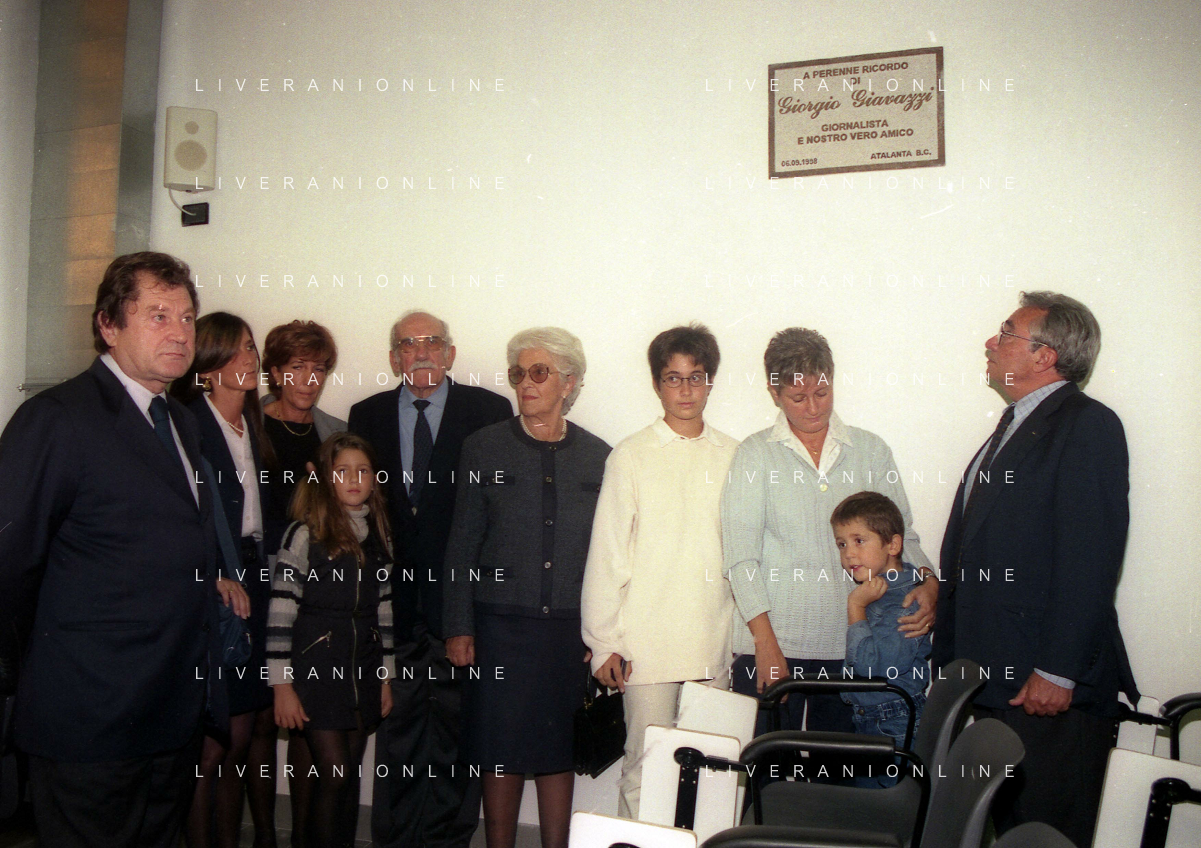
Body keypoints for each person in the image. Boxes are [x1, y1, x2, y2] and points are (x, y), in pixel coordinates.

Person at [0, 251, 245, 848]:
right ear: (108, 325)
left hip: (172, 711)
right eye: (158, 315)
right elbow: (10, 566)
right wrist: (35, 672)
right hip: (89, 715)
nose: (180, 332)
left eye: (186, 318)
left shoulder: (182, 421)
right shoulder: (57, 418)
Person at [934, 292, 1137, 846]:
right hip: (998, 676)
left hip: (1043, 688)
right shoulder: (1014, 425)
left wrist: (1058, 671)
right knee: (1007, 830)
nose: (990, 342)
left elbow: (1091, 560)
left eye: (1006, 332)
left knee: (1045, 833)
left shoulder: (1088, 426)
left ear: (1045, 355)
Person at [721, 327, 937, 741]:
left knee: (839, 770)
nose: (813, 407)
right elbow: (740, 558)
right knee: (767, 769)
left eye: (822, 392)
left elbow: (904, 537)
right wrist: (765, 643)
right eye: (797, 397)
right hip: (771, 643)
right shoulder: (754, 454)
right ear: (774, 393)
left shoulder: (870, 450)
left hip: (853, 644)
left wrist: (929, 582)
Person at [349, 310, 511, 848]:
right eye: (408, 344)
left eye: (432, 342)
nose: (421, 352)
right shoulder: (366, 415)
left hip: (459, 606)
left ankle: (449, 841)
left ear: (451, 353)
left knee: (457, 735)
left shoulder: (488, 412)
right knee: (395, 733)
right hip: (391, 608)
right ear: (393, 357)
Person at [443, 328, 610, 848]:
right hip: (499, 629)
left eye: (540, 372)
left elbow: (609, 557)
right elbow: (462, 544)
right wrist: (458, 627)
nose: (526, 383)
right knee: (500, 752)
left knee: (557, 750)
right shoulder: (483, 447)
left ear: (569, 382)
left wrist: (602, 634)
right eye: (519, 373)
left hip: (567, 632)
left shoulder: (599, 456)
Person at [581, 323, 738, 818]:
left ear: (710, 382)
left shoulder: (733, 455)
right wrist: (603, 641)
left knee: (711, 775)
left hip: (712, 641)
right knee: (645, 771)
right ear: (656, 384)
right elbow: (608, 554)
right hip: (645, 647)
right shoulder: (631, 455)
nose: (686, 390)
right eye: (673, 378)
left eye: (696, 377)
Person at [171, 312, 278, 848]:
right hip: (217, 587)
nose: (249, 359)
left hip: (257, 579)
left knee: (249, 728)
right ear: (208, 366)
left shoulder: (253, 425)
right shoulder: (188, 424)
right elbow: (173, 516)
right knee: (217, 740)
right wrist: (212, 574)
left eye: (251, 348)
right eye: (236, 350)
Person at [266, 433, 396, 848]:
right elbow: (280, 613)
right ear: (324, 478)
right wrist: (282, 685)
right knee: (335, 773)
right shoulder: (304, 534)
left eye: (363, 470)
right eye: (342, 471)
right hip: (315, 671)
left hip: (363, 670)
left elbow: (384, 610)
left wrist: (386, 677)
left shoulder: (379, 536)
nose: (353, 479)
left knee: (347, 776)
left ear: (374, 479)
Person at [259, 318, 346, 842]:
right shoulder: (248, 425)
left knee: (306, 720)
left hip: (312, 597)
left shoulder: (333, 432)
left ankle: (301, 836)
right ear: (274, 372)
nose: (309, 380)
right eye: (296, 368)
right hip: (257, 588)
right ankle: (263, 833)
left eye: (318, 369)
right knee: (257, 724)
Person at [830, 491, 931, 789]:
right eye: (842, 544)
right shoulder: (884, 587)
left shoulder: (905, 602)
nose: (849, 554)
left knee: (881, 810)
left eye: (859, 541)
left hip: (893, 724)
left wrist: (855, 607)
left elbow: (874, 668)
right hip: (874, 719)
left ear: (893, 545)